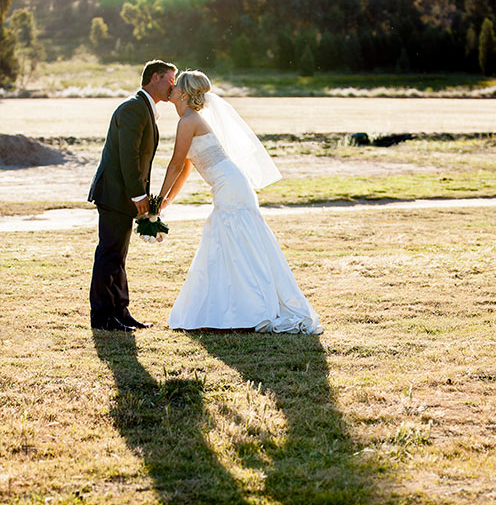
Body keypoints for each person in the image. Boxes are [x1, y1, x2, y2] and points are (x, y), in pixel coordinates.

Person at [158, 70, 322, 334]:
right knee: (229, 242)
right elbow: (186, 168)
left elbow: (176, 163)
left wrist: (156, 200)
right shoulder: (190, 120)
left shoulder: (188, 120)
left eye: (177, 87)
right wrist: (165, 202)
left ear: (185, 95)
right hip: (229, 184)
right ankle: (233, 308)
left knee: (233, 241)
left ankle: (250, 310)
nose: (172, 88)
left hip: (230, 186)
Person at [88, 59, 176, 331]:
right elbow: (129, 156)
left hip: (123, 193)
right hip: (115, 193)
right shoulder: (133, 108)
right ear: (154, 78)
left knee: (118, 254)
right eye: (170, 80)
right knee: (109, 253)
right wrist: (139, 195)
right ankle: (103, 317)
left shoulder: (144, 108)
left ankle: (120, 312)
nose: (173, 85)